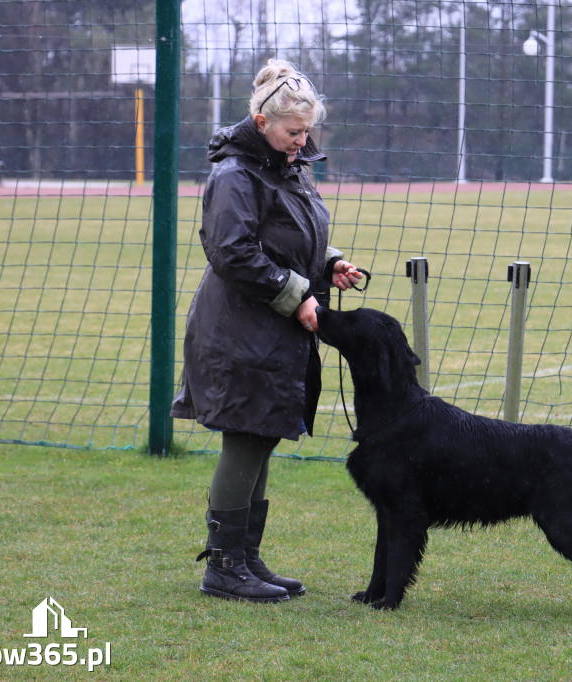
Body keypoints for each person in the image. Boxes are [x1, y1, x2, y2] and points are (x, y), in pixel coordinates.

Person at [171, 59, 365, 603]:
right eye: (292, 132)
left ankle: (247, 559)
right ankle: (224, 568)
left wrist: (328, 266)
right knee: (246, 436)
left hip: (271, 327)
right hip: (240, 328)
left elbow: (289, 238)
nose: (302, 142)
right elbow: (233, 252)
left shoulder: (289, 167)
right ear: (261, 122)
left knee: (262, 437)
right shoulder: (234, 175)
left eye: (307, 132)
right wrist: (297, 294)